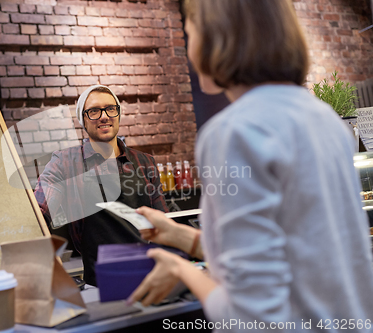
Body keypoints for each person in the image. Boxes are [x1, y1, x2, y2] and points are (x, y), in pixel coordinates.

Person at [127, 0, 373, 331]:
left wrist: (182, 272)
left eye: (190, 31)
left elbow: (252, 316)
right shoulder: (324, 119)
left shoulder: (233, 132)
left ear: (216, 36)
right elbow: (301, 255)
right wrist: (182, 238)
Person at [34, 85, 168, 286]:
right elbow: (40, 209)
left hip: (148, 276)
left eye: (110, 109)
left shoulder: (145, 162)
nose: (104, 116)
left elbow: (162, 222)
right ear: (83, 120)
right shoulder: (65, 162)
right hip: (99, 282)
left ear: (118, 114)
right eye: (94, 111)